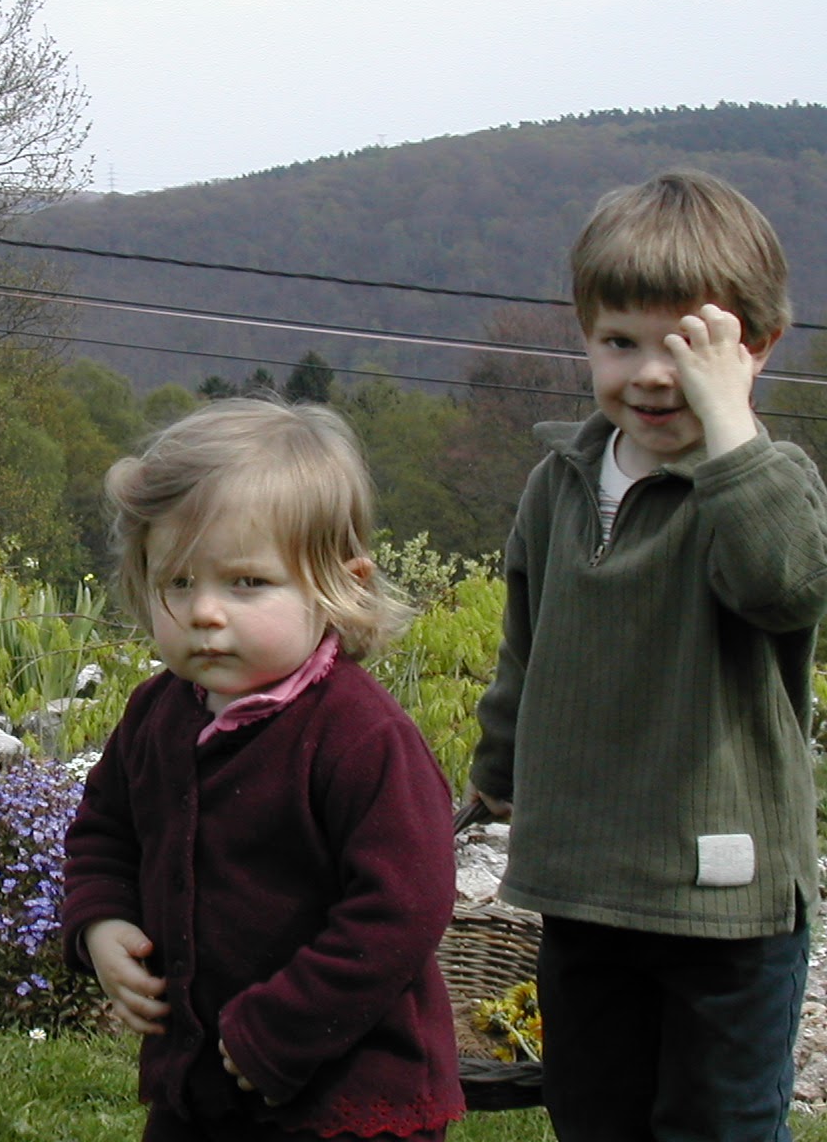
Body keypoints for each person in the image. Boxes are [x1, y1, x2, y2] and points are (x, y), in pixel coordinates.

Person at [469, 169, 827, 1141]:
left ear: (757, 347)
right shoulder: (562, 481)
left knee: (717, 1123)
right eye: (620, 343)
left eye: (687, 347)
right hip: (585, 883)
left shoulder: (765, 483)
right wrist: (497, 770)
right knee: (595, 1112)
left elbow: (783, 584)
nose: (653, 376)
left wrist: (730, 433)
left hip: (726, 901)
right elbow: (525, 645)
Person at [61, 397, 466, 1141]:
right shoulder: (158, 713)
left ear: (342, 584)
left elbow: (402, 908)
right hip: (199, 1085)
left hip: (348, 1096)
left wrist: (282, 1026)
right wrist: (102, 920)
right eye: (178, 582)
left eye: (247, 583)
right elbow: (105, 830)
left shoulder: (360, 735)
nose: (205, 612)